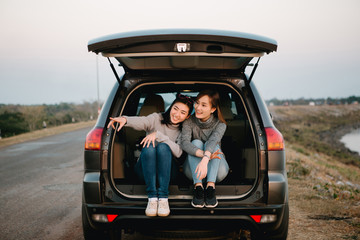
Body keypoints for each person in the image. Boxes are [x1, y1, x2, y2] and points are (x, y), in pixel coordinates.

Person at [108, 94, 193, 217]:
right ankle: (152, 198)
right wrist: (125, 119)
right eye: (175, 108)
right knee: (149, 145)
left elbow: (179, 152)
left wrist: (160, 136)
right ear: (170, 107)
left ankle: (163, 199)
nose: (177, 114)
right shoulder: (156, 118)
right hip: (145, 172)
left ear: (187, 116)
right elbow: (142, 121)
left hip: (168, 174)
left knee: (163, 147)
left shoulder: (184, 130)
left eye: (183, 112)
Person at [180, 89, 229, 208]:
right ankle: (198, 187)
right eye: (197, 103)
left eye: (203, 105)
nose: (197, 107)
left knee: (213, 145)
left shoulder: (221, 124)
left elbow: (213, 141)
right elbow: (184, 143)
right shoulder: (189, 121)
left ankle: (210, 187)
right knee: (196, 142)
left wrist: (206, 159)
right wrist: (204, 156)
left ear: (213, 109)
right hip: (193, 171)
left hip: (218, 171)